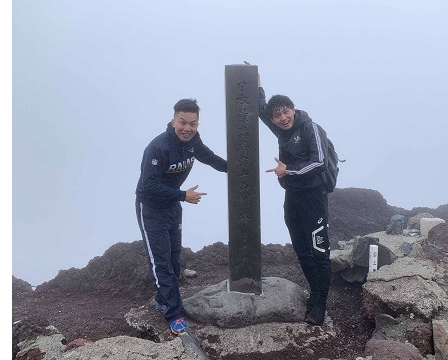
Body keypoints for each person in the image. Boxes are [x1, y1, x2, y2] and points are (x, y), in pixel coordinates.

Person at [247, 62, 332, 325]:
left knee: (319, 251)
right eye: (278, 116)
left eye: (286, 112)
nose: (283, 118)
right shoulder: (282, 130)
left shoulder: (310, 128)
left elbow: (320, 162)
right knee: (301, 249)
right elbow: (262, 111)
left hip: (314, 198)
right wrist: (257, 84)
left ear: (293, 109)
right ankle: (315, 295)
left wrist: (289, 171)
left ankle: (319, 305)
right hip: (292, 198)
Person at [135, 98, 227, 335]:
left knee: (174, 260)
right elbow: (149, 184)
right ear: (173, 120)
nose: (187, 128)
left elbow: (210, 157)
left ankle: (162, 298)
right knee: (161, 262)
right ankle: (174, 313)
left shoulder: (194, 142)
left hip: (173, 206)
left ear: (198, 124)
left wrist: (237, 167)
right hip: (152, 208)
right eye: (182, 122)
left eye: (193, 123)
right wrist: (183, 195)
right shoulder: (158, 147)